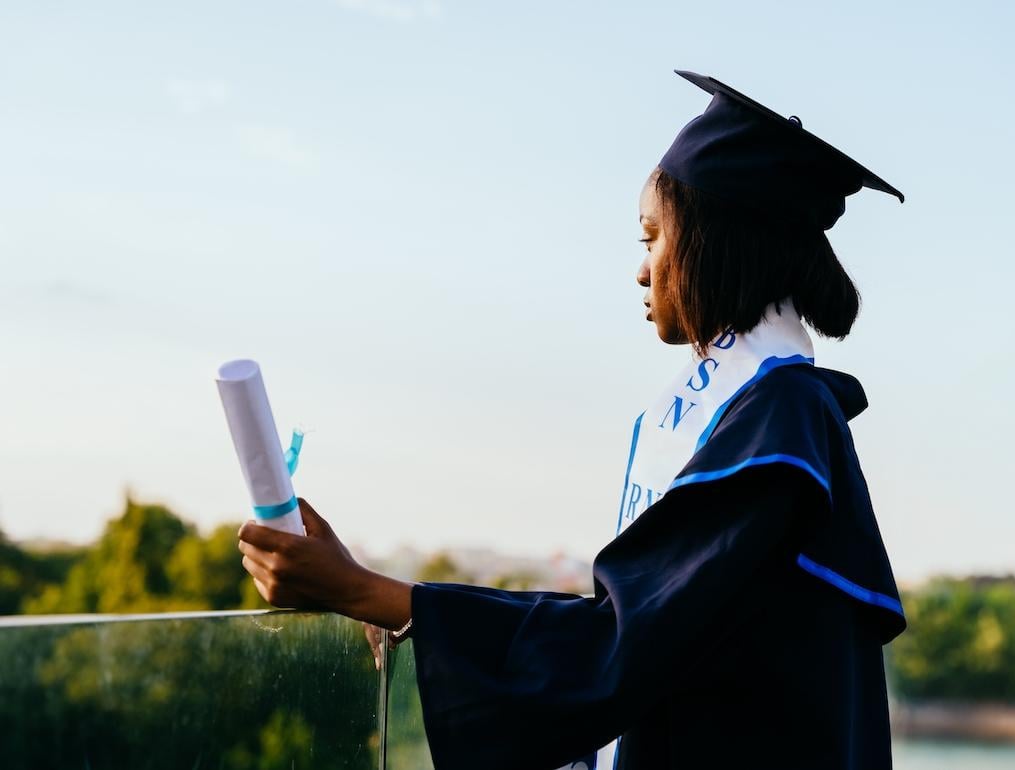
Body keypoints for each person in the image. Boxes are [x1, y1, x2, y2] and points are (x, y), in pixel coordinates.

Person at [237, 71, 907, 770]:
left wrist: (366, 593)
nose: (642, 272)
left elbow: (617, 644)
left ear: (712, 243)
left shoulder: (780, 424)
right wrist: (376, 591)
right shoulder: (765, 412)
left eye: (652, 238)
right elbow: (648, 630)